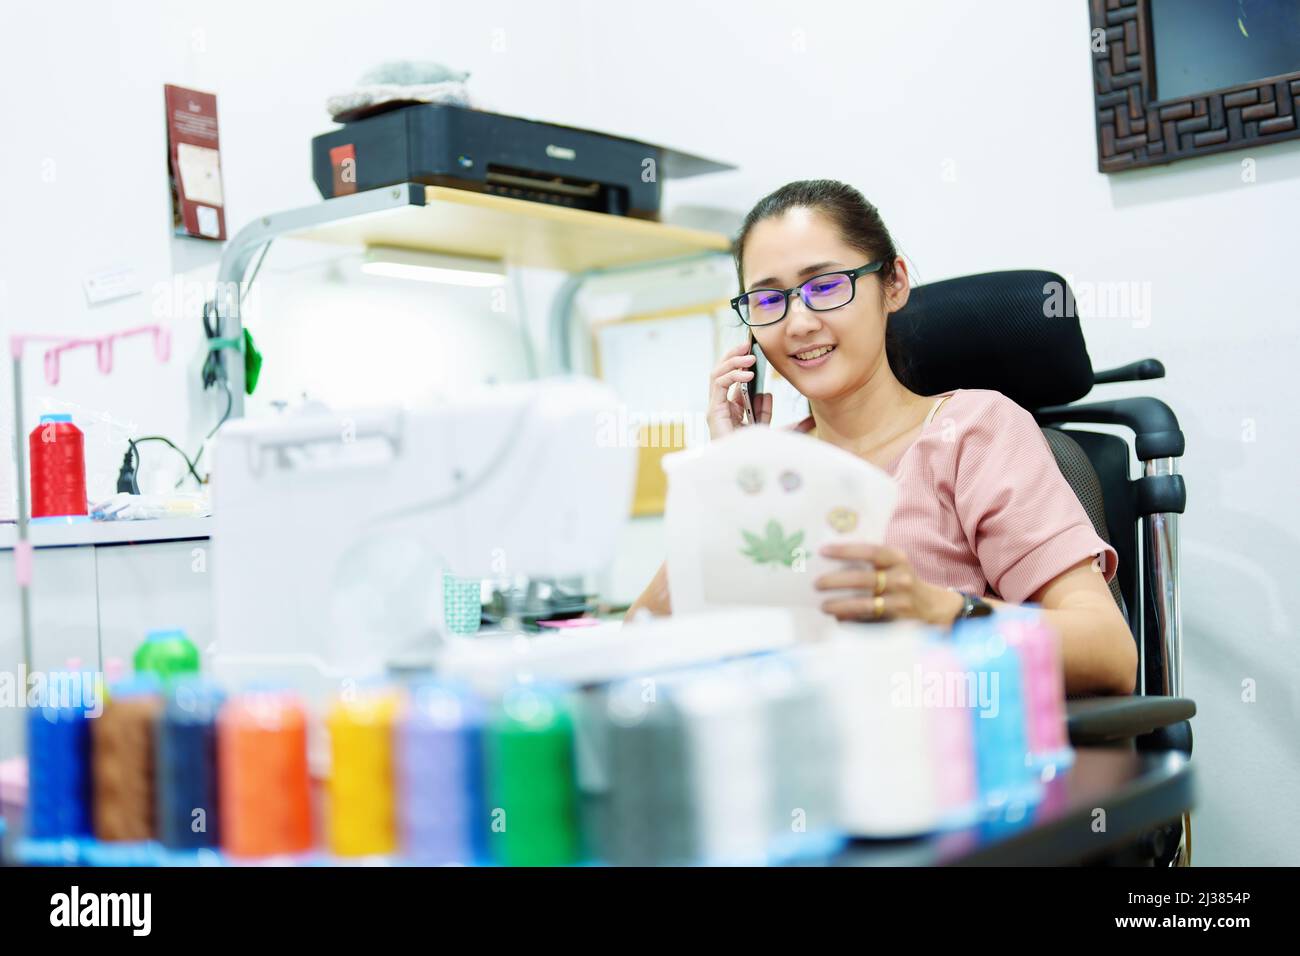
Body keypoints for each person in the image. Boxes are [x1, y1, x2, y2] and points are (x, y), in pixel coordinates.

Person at [625, 179, 1136, 696]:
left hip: (931, 757)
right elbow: (639, 642)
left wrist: (942, 610)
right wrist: (729, 478)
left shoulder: (974, 432)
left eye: (825, 287)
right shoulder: (769, 468)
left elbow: (1110, 653)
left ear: (893, 283)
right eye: (767, 299)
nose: (797, 323)